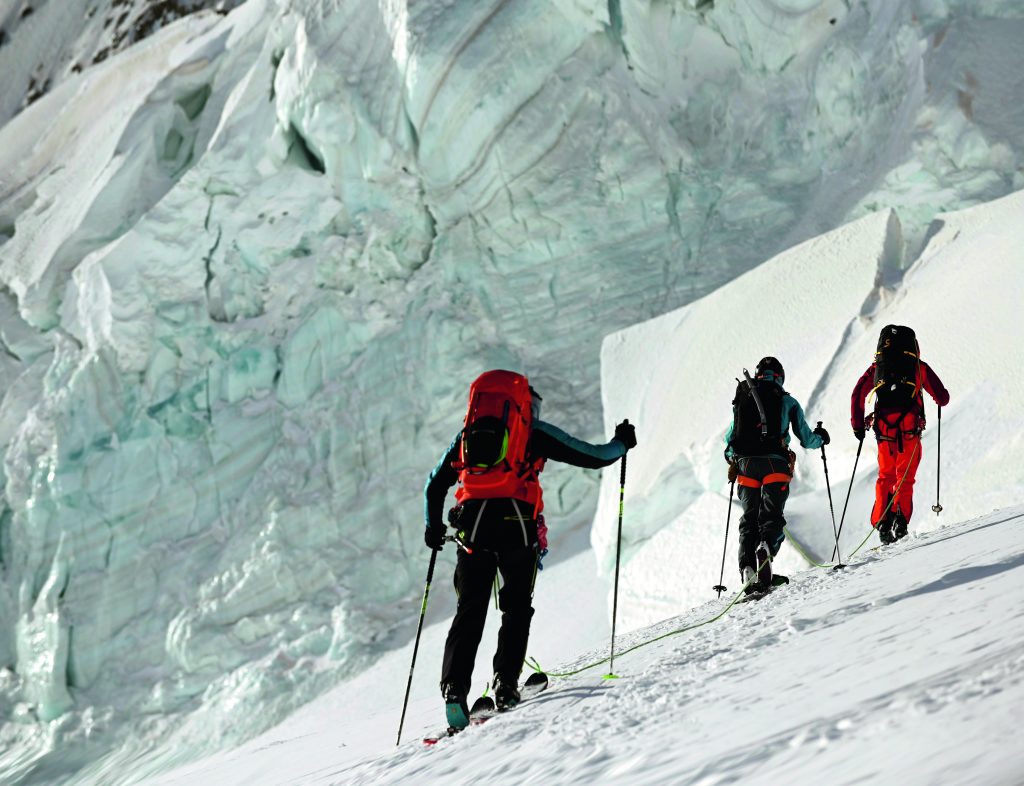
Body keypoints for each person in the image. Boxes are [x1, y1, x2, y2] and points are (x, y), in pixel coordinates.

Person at [424, 370, 636, 731]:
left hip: (472, 527)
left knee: (469, 611)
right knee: (516, 607)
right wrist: (621, 443)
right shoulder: (532, 433)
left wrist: (433, 527)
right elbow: (594, 456)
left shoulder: (465, 439)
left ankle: (453, 691)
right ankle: (506, 685)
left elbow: (434, 486)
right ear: (524, 406)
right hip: (517, 526)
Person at [724, 357, 827, 592]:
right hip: (775, 464)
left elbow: (730, 439)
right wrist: (822, 438)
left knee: (749, 519)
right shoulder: (786, 400)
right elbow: (807, 438)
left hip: (746, 465)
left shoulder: (745, 397)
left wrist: (733, 459)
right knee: (772, 516)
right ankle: (766, 550)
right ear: (779, 377)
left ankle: (747, 568)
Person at [851, 325, 949, 544]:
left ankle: (882, 521)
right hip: (909, 427)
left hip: (884, 428)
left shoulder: (877, 367)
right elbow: (942, 397)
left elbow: (858, 393)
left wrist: (858, 425)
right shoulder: (917, 367)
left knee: (886, 475)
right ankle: (901, 521)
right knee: (905, 476)